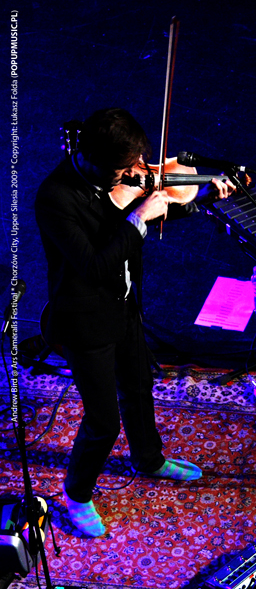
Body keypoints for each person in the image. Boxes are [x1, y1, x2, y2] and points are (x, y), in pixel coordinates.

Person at [35, 108, 233, 537]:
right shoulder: (56, 199)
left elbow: (149, 208)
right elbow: (94, 266)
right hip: (84, 322)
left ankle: (149, 459)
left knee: (139, 387)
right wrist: (139, 218)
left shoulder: (120, 179)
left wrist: (202, 198)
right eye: (124, 168)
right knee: (103, 422)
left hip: (123, 308)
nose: (136, 173)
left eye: (137, 162)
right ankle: (77, 494)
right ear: (92, 159)